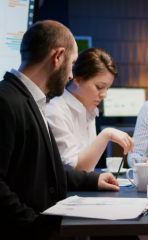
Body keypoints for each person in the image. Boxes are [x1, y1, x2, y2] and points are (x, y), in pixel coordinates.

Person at [0, 20, 120, 239]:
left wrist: (90, 180)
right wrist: (38, 229)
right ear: (58, 57)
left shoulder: (30, 101)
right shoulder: (5, 101)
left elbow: (42, 172)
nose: (72, 75)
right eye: (72, 63)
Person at [45, 48, 134, 172]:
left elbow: (87, 170)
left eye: (107, 88)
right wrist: (106, 134)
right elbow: (74, 171)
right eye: (99, 87)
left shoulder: (89, 110)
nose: (104, 95)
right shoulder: (55, 112)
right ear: (78, 80)